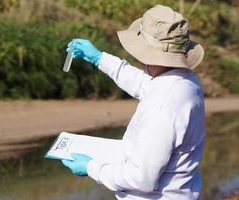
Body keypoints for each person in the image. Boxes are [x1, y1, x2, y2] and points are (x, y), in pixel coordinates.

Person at [61, 5, 205, 200]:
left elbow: (141, 179)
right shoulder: (186, 82)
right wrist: (99, 58)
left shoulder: (161, 107)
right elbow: (145, 85)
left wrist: (91, 167)